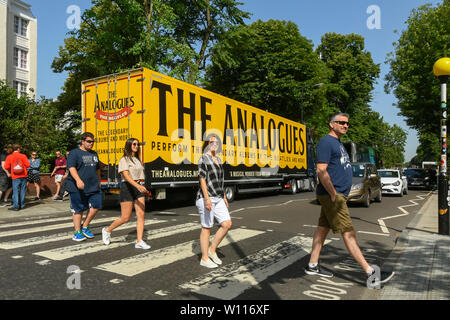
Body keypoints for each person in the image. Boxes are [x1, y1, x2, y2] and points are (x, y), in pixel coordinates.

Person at [304, 112, 394, 287]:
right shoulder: (326, 143)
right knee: (349, 233)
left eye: (347, 123)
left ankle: (312, 265)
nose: (345, 125)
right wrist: (333, 194)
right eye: (341, 122)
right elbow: (321, 170)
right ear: (332, 124)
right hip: (334, 196)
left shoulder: (337, 143)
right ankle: (371, 272)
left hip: (337, 195)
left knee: (322, 229)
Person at [102, 138, 150, 249]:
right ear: (129, 145)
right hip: (127, 188)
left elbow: (140, 177)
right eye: (134, 144)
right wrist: (137, 186)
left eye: (137, 144)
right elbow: (126, 176)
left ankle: (139, 241)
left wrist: (142, 186)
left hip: (138, 188)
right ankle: (107, 230)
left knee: (141, 215)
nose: (136, 146)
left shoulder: (137, 160)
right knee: (125, 218)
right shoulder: (124, 159)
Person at [196, 134, 232, 268]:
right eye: (211, 142)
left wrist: (223, 196)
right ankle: (204, 258)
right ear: (207, 144)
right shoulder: (203, 158)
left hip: (218, 196)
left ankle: (212, 250)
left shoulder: (218, 159)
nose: (214, 144)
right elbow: (202, 179)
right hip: (207, 197)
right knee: (207, 227)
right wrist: (206, 199)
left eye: (216, 142)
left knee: (227, 224)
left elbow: (219, 181)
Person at [65, 132, 102, 242]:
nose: (91, 144)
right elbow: (71, 167)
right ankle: (77, 232)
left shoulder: (94, 154)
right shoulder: (74, 153)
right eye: (89, 141)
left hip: (93, 186)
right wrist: (78, 180)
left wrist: (99, 181)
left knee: (97, 205)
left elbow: (98, 169)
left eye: (92, 142)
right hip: (76, 186)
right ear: (83, 141)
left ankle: (85, 226)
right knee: (78, 209)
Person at [3, 144, 30, 211]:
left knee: (15, 191)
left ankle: (16, 206)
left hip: (15, 176)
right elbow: (28, 165)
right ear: (18, 149)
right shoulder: (23, 156)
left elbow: (6, 167)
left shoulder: (10, 156)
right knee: (23, 190)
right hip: (23, 175)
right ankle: (22, 205)